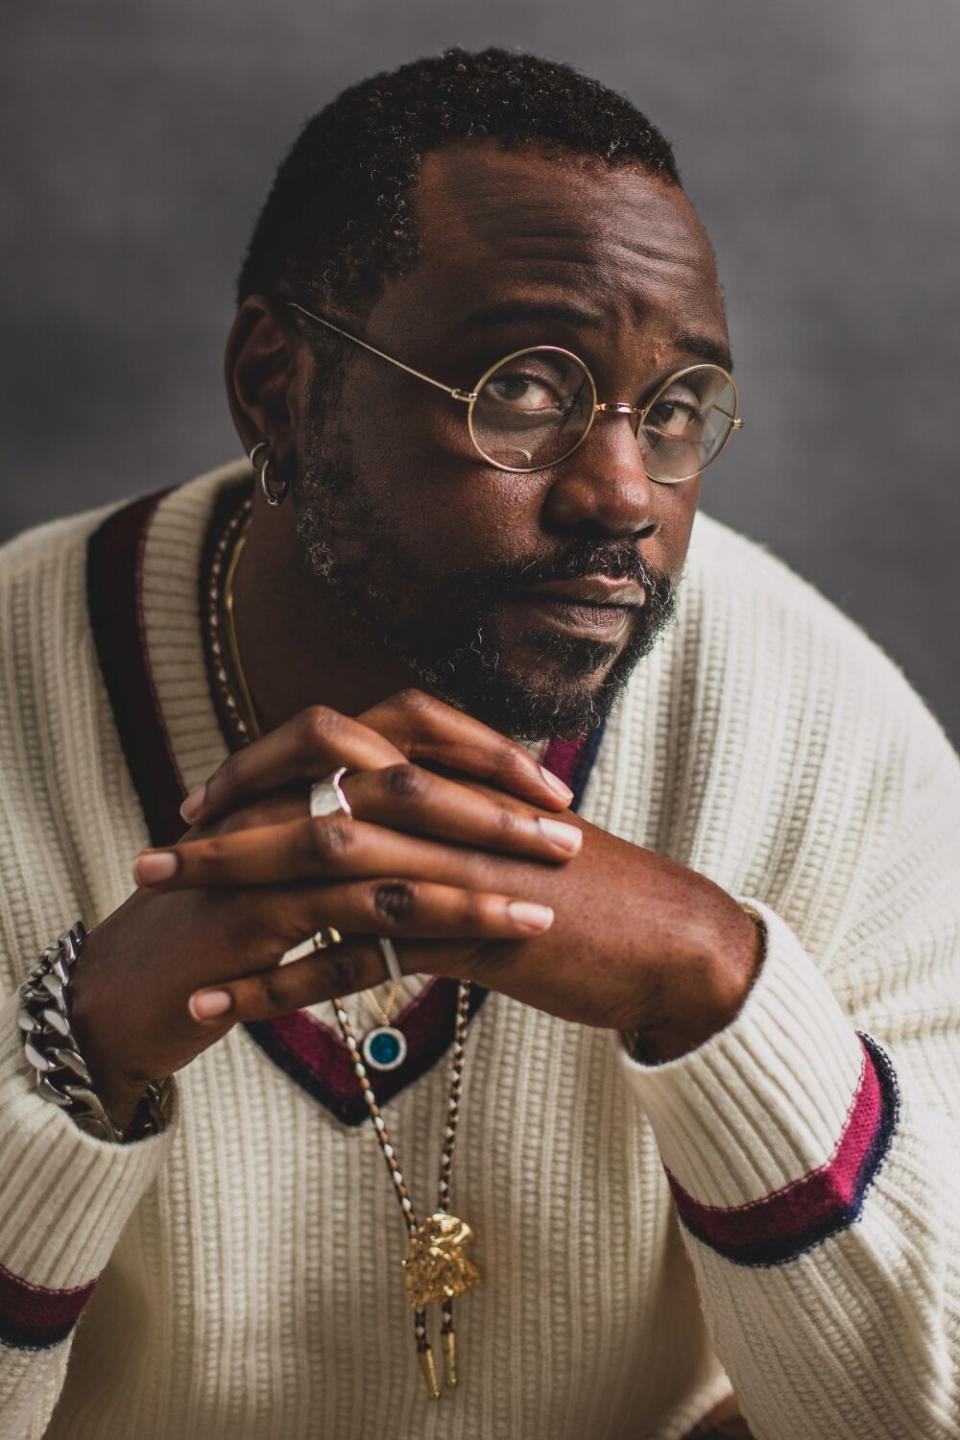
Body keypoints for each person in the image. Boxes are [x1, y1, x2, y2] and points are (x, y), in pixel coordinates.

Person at [0, 46, 957, 1440]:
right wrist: (76, 1060)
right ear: (278, 385)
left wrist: (717, 986)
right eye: (523, 388)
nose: (622, 493)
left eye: (678, 407)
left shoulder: (815, 723)